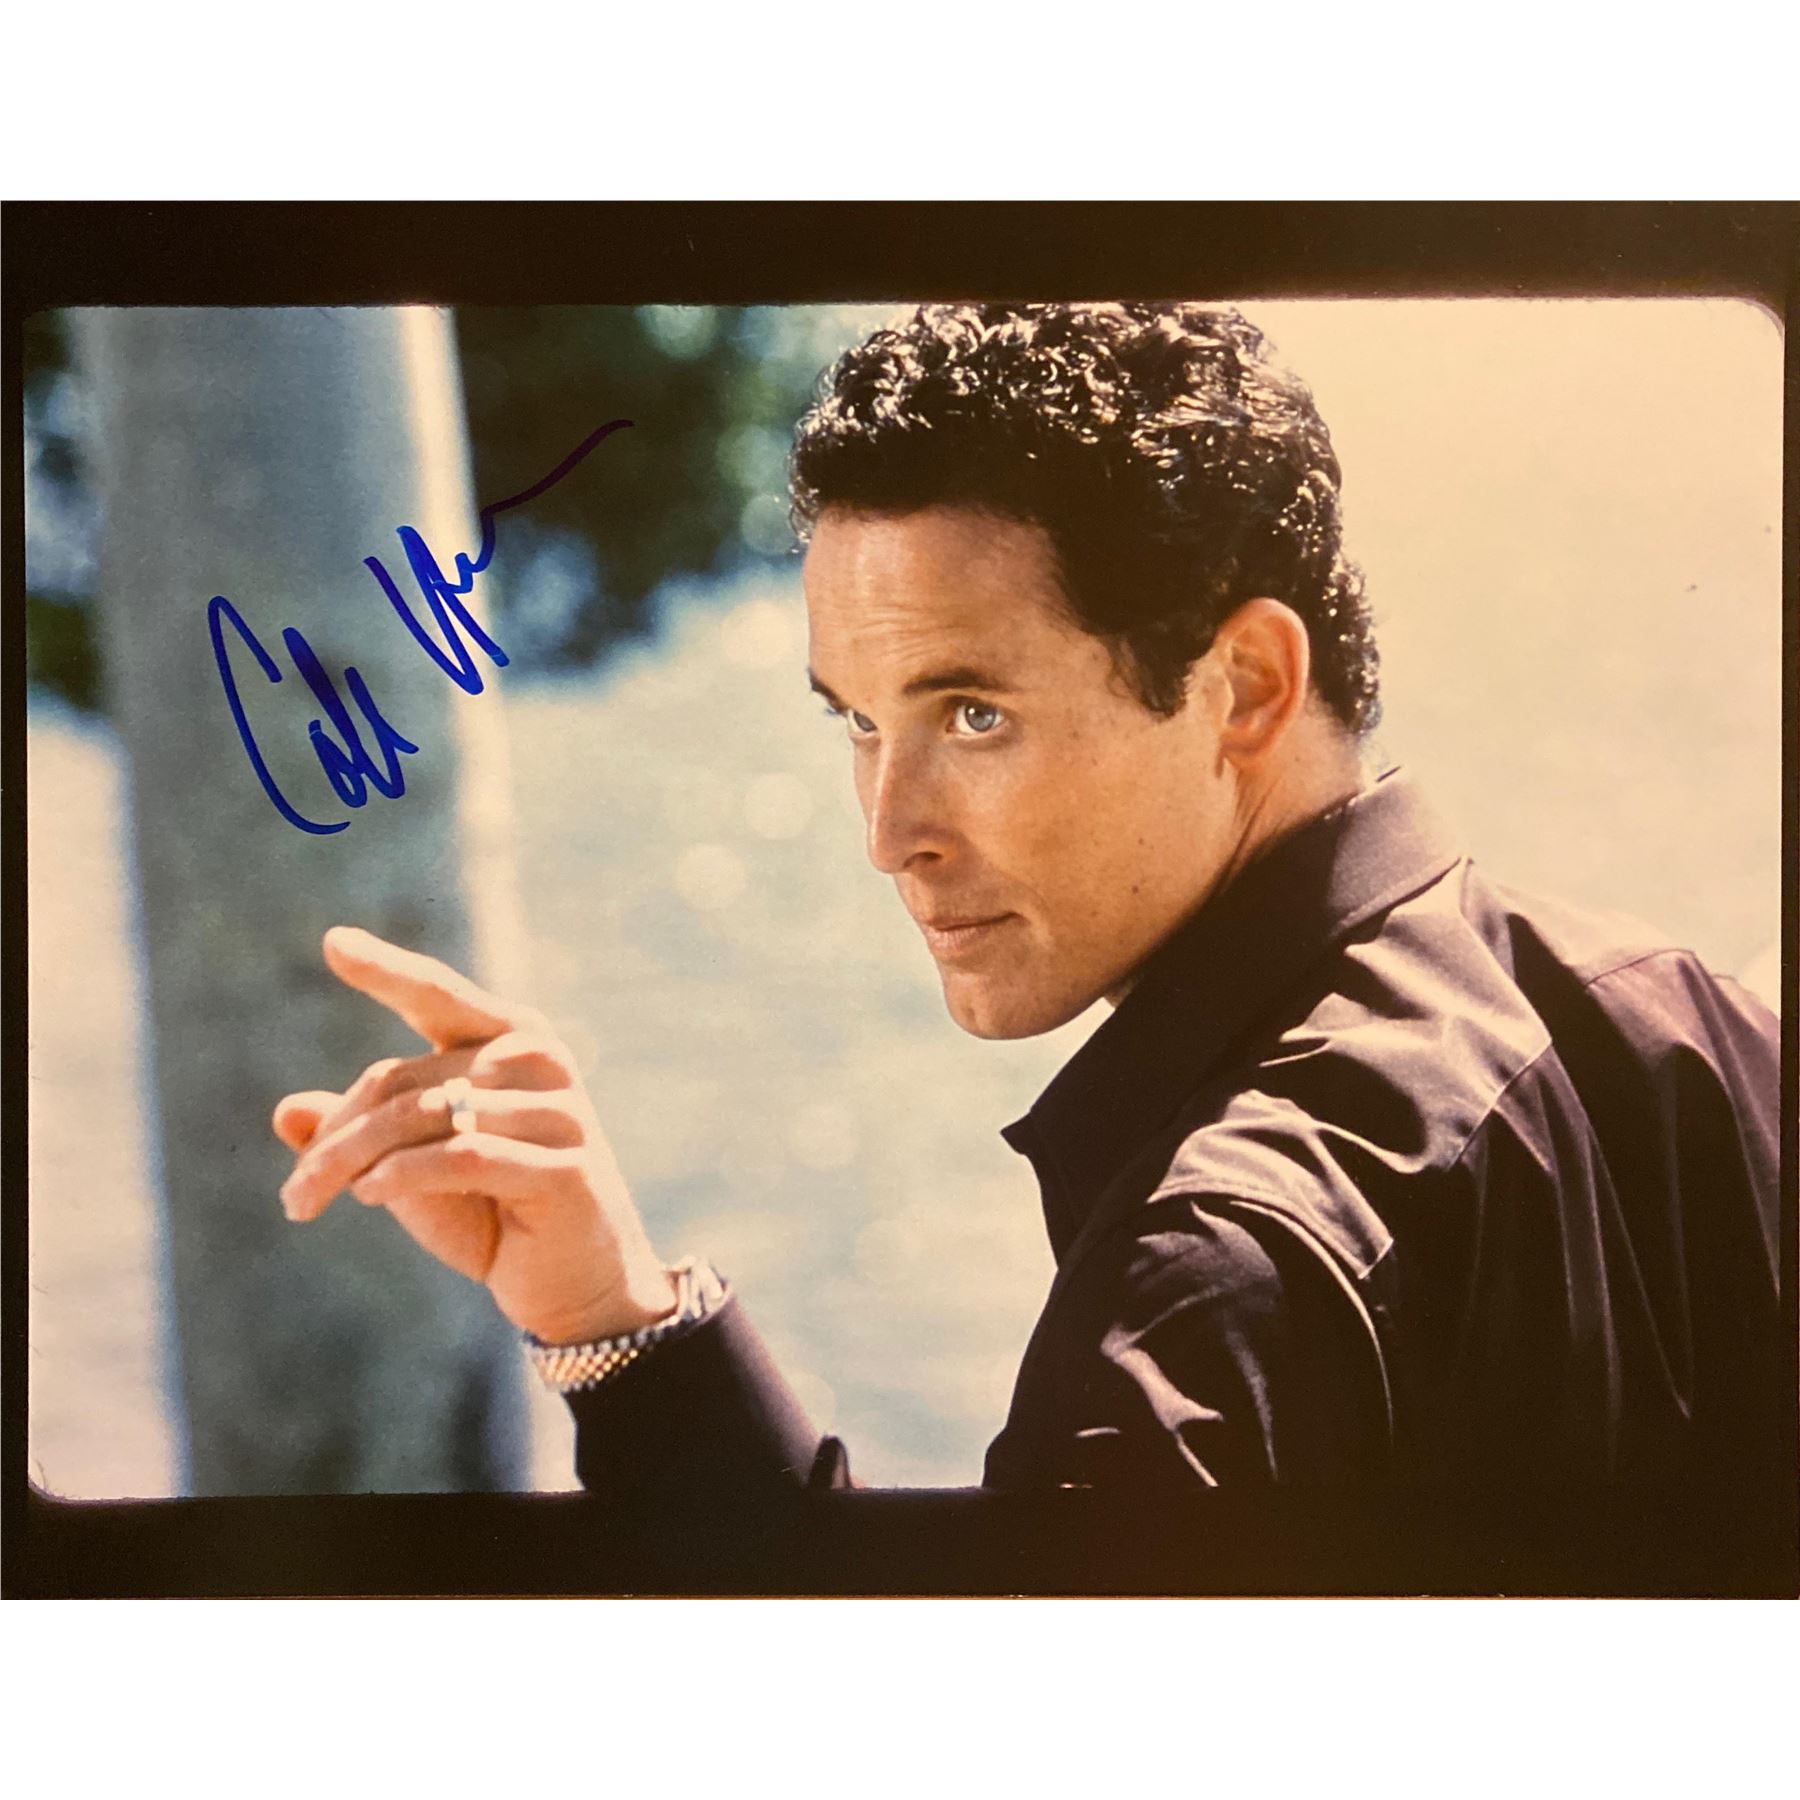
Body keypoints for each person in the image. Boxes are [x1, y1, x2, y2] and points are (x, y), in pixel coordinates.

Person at [272, 302, 1784, 1523]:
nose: (890, 835)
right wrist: (619, 1316)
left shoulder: (1211, 1281)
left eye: (973, 713)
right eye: (859, 721)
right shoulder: (1688, 1016)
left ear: (1248, 686)